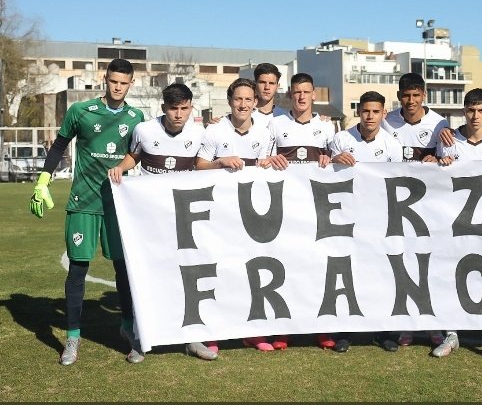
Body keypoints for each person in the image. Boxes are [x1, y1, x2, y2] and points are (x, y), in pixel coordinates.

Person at [29, 58, 145, 365]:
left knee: (123, 270)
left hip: (118, 206)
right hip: (83, 202)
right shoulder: (80, 111)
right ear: (104, 80)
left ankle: (128, 329)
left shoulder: (137, 117)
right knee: (78, 268)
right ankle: (73, 337)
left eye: (124, 83)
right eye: (113, 81)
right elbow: (59, 146)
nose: (118, 87)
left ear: (131, 84)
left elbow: (145, 152)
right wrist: (43, 181)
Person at [107, 83, 215, 361]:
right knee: (144, 276)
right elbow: (134, 156)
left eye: (184, 108)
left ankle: (192, 337)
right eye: (173, 108)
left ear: (191, 107)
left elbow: (204, 166)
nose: (179, 114)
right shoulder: (144, 130)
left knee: (187, 275)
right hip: (148, 219)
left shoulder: (200, 133)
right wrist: (121, 166)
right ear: (163, 107)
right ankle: (139, 337)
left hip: (183, 219)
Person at [434, 88, 482, 361]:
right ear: (463, 111)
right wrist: (440, 162)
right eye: (470, 110)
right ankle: (451, 333)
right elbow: (437, 180)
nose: (475, 115)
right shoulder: (449, 140)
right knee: (451, 273)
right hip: (455, 221)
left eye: (481, 110)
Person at [195, 77, 275, 351]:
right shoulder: (215, 131)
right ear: (230, 101)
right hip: (219, 213)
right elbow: (199, 166)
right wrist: (219, 163)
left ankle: (251, 330)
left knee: (250, 270)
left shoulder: (264, 133)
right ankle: (213, 332)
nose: (243, 104)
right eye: (237, 99)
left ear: (255, 102)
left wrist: (270, 163)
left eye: (248, 99)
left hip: (253, 213)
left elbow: (270, 166)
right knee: (219, 271)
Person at [266, 72, 336, 350]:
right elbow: (264, 159)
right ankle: (285, 328)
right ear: (290, 95)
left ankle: (321, 328)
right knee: (288, 269)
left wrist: (330, 158)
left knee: (318, 269)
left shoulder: (328, 128)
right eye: (296, 92)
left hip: (318, 211)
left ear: (314, 95)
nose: (302, 97)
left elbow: (340, 162)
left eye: (306, 92)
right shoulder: (275, 124)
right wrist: (271, 159)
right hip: (285, 210)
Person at [329, 90, 403, 353]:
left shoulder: (392, 145)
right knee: (349, 273)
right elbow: (324, 172)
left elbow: (398, 181)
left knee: (383, 273)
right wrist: (334, 161)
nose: (370, 116)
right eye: (365, 111)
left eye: (376, 111)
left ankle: (386, 332)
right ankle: (345, 332)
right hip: (347, 218)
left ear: (384, 113)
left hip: (381, 218)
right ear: (358, 112)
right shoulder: (341, 139)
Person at [380, 72, 448, 351]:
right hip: (395, 205)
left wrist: (436, 157)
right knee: (400, 261)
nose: (410, 101)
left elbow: (449, 161)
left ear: (424, 96)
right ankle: (405, 324)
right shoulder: (388, 122)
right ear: (399, 97)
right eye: (406, 95)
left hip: (427, 206)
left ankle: (433, 324)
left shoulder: (439, 123)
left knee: (428, 263)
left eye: (416, 95)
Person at [252, 62, 288, 128]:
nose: (267, 87)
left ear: (277, 86)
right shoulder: (245, 115)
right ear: (255, 84)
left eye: (271, 83)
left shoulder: (285, 117)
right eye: (262, 82)